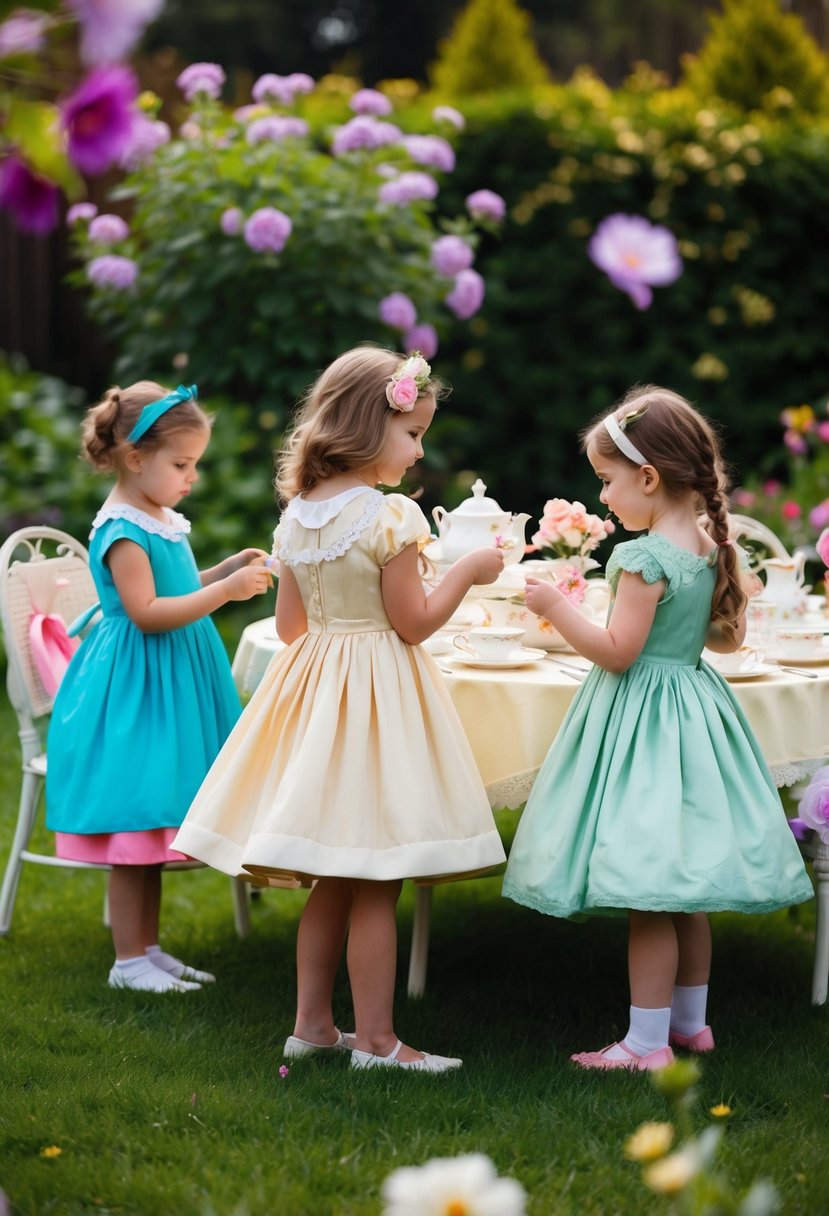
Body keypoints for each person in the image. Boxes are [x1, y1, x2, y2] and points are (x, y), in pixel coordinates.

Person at [174, 347, 507, 1071]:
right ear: (366, 425)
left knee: (333, 872)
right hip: (379, 700)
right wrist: (466, 574)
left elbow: (291, 627)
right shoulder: (389, 515)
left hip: (318, 694)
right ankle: (381, 1043)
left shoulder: (299, 514)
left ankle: (313, 1025)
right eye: (412, 434)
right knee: (377, 874)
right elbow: (413, 622)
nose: (418, 452)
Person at [502, 385, 814, 1070]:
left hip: (643, 721)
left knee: (648, 892)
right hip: (692, 713)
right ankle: (690, 1024)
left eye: (608, 481)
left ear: (648, 477)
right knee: (684, 888)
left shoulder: (640, 559)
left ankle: (645, 1046)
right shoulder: (705, 542)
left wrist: (556, 602)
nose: (605, 498)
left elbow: (617, 651)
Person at [46, 381, 273, 993]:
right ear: (135, 458)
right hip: (136, 689)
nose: (190, 477)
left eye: (194, 464)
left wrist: (220, 571)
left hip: (168, 678)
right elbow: (147, 610)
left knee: (152, 831)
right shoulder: (121, 530)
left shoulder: (159, 518)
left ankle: (147, 949)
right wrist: (224, 594)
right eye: (182, 464)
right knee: (133, 818)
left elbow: (174, 584)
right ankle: (128, 961)